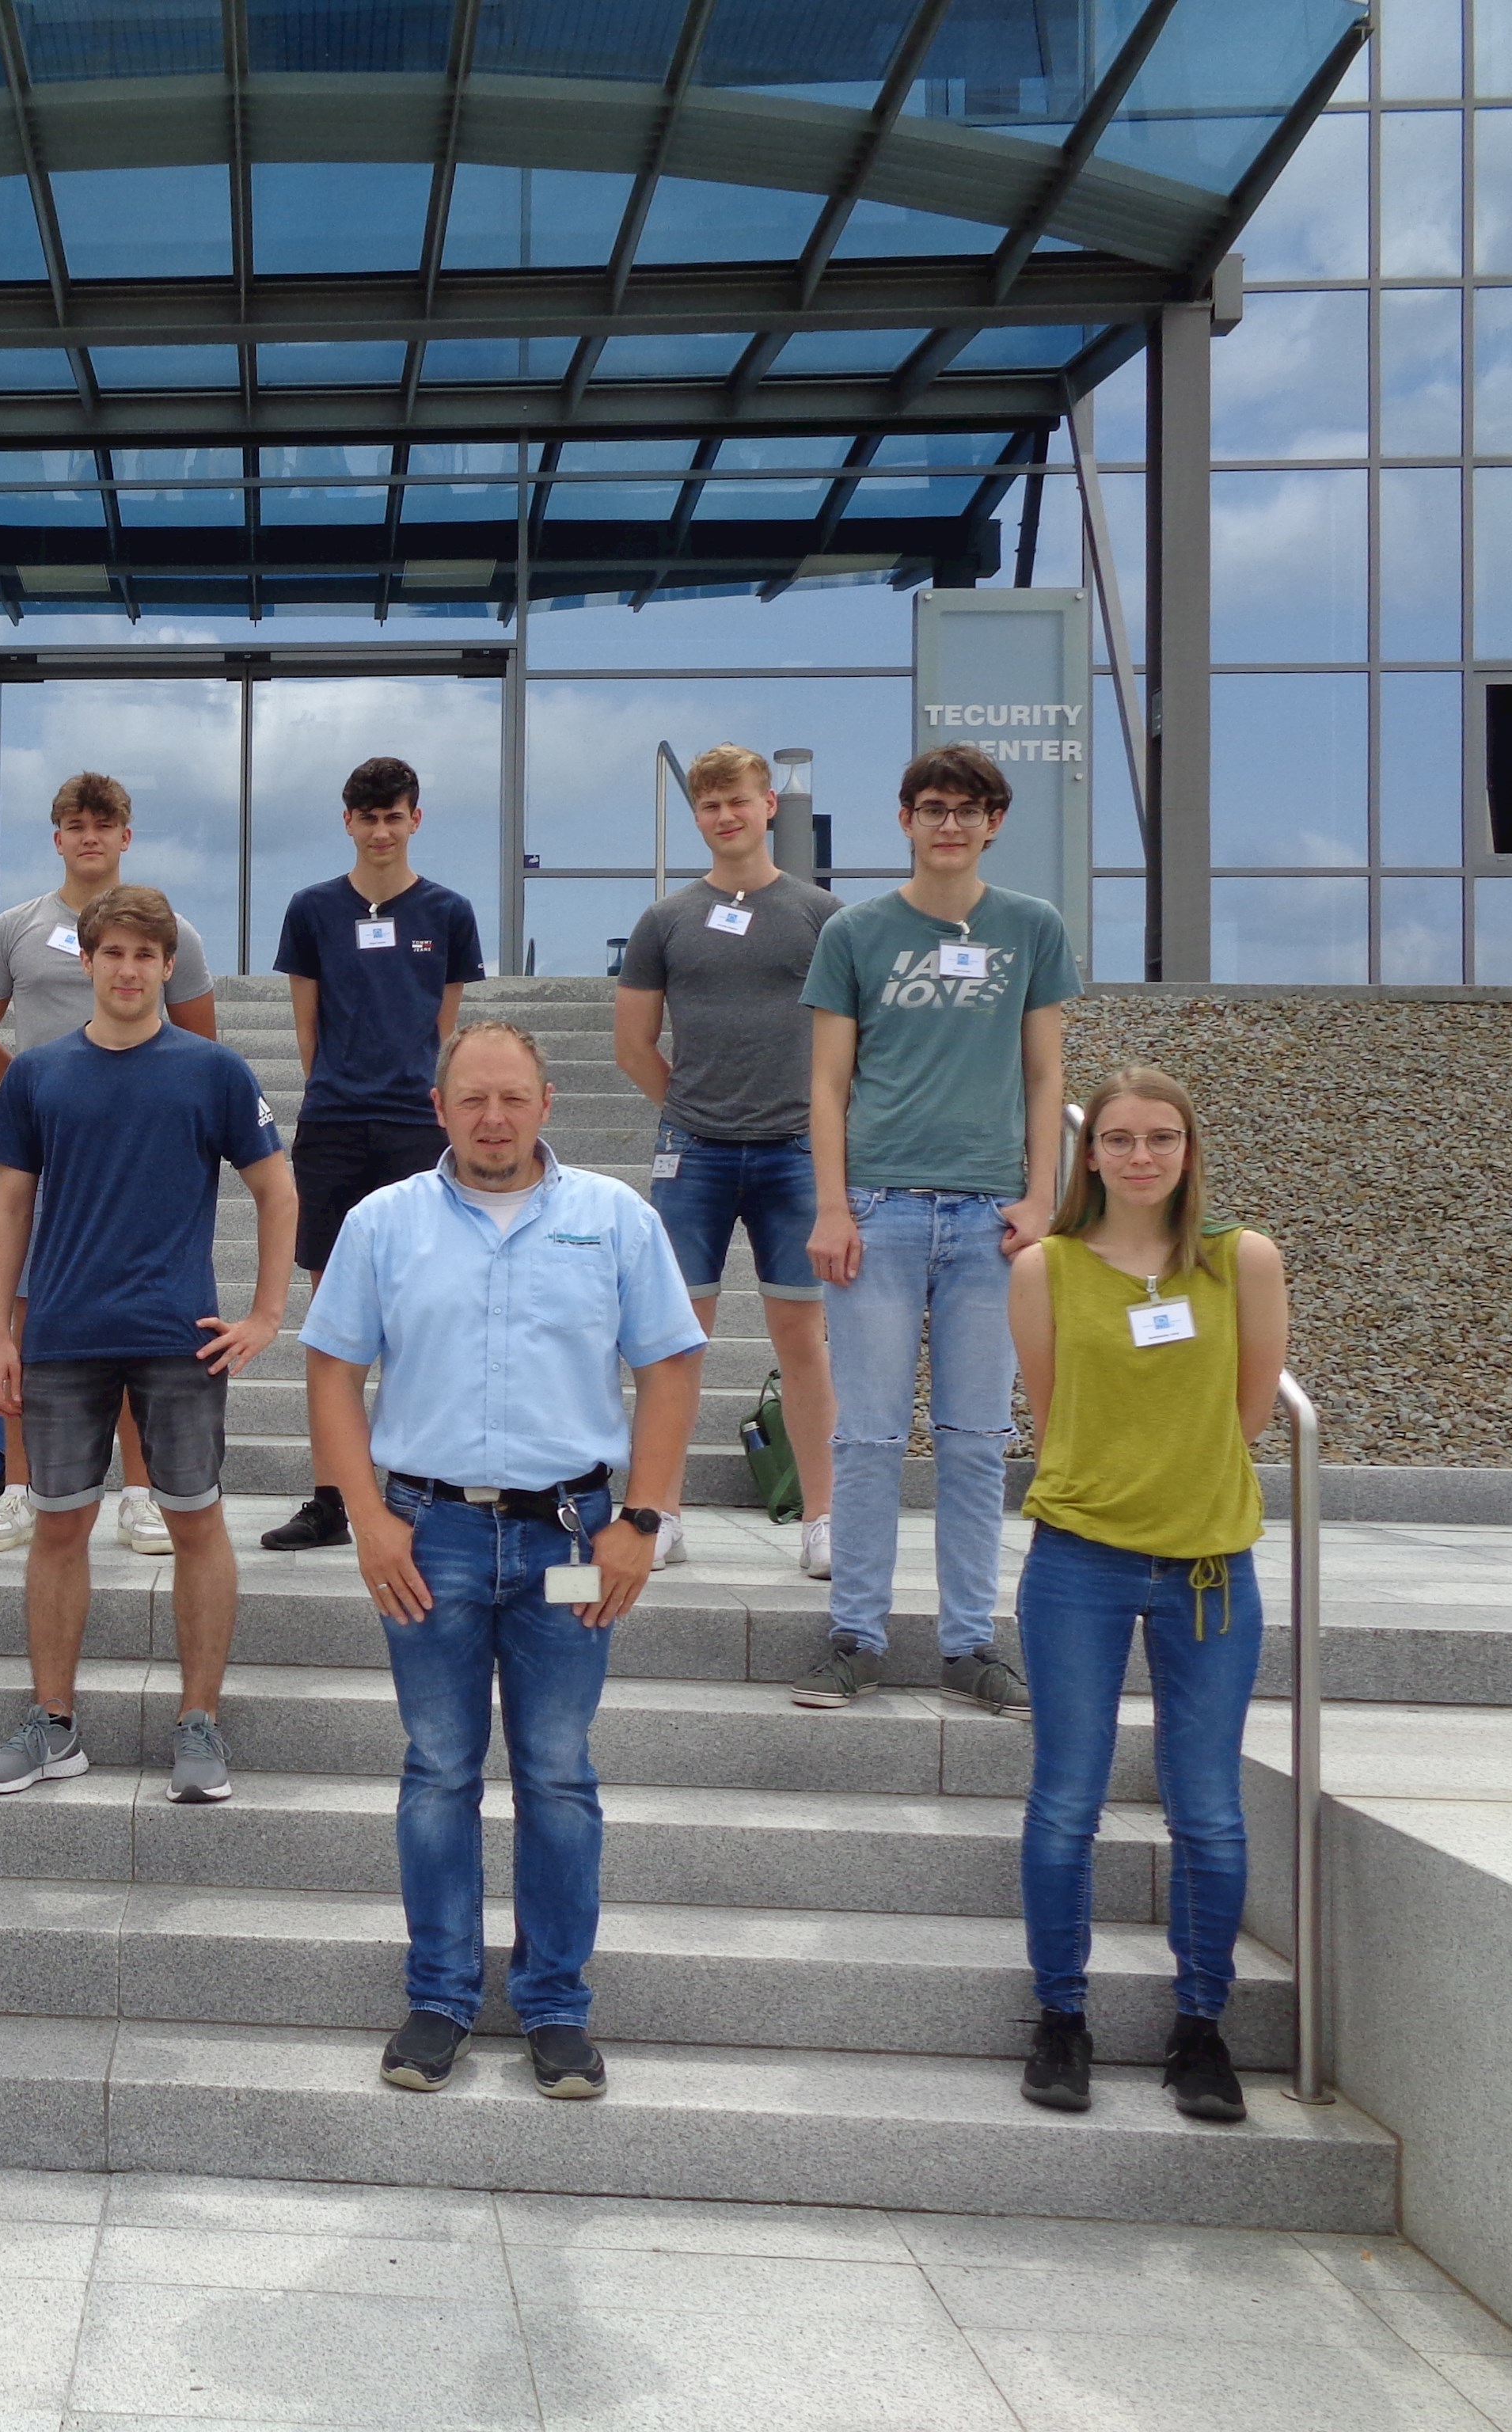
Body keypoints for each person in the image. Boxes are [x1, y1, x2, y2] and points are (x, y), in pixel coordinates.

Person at [302, 1021, 704, 2097]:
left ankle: (557, 2008)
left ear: (547, 1102)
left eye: (512, 1099)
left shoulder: (613, 1219)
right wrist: (366, 1520)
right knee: (438, 1770)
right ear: (440, 1108)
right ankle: (438, 1998)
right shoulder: (383, 1224)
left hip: (570, 1541)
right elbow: (332, 1371)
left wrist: (644, 1521)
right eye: (472, 1099)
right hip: (425, 1539)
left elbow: (671, 1368)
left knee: (560, 1774)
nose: (492, 1119)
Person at [0, 884, 297, 1806]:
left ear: (165, 967)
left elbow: (279, 1188)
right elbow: (9, 1206)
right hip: (64, 1336)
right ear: (88, 960)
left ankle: (198, 1722)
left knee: (196, 1524)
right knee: (59, 1526)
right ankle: (52, 1725)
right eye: (112, 953)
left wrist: (266, 1314)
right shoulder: (38, 1072)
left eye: (145, 956)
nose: (127, 969)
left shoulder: (214, 1072)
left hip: (175, 1338)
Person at [1009, 1067, 1286, 2122]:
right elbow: (1051, 1410)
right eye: (1118, 1139)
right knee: (1066, 1802)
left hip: (1209, 1567)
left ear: (1187, 1150)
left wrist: (1180, 1487)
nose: (1139, 1157)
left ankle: (1201, 2029)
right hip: (1080, 1559)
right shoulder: (1048, 1270)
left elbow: (1250, 1410)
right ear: (1090, 1155)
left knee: (1208, 1812)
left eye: (1159, 1138)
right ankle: (1061, 2019)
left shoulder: (1240, 1261)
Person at [794, 744, 1076, 1717]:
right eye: (931, 807)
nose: (948, 824)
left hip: (989, 1220)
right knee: (867, 1438)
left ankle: (969, 1645)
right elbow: (827, 1083)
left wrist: (1041, 1199)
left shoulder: (1031, 928)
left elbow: (1046, 1076)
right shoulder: (857, 932)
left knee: (972, 1440)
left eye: (967, 809)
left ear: (993, 822)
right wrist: (830, 1205)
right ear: (904, 819)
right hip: (877, 1210)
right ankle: (855, 1638)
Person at [0, 770, 222, 1560]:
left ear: (126, 837)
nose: (90, 837)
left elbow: (205, 1048)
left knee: (137, 1324)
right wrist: (40, 1101)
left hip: (145, 1161)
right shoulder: (14, 931)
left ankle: (138, 1497)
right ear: (57, 837)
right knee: (30, 1314)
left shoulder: (173, 931)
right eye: (75, 825)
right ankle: (17, 1492)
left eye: (104, 825)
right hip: (50, 1158)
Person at [614, 743, 844, 1578]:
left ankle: (823, 1517)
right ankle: (658, 1512)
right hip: (695, 1152)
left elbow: (851, 1037)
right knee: (675, 1340)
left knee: (803, 1338)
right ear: (698, 816)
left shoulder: (820, 915)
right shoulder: (665, 921)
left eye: (737, 802)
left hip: (794, 1153)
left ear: (766, 806)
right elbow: (633, 1043)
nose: (725, 817)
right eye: (709, 806)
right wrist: (690, 1105)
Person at [258, 754, 484, 1552]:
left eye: (395, 816)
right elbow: (307, 1027)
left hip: (416, 1129)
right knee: (334, 1313)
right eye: (368, 817)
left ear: (415, 819)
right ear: (347, 822)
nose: (381, 830)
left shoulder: (449, 912)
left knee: (425, 1308)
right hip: (334, 1124)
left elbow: (443, 1029)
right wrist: (335, 1093)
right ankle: (331, 1497)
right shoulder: (312, 909)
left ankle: (423, 1491)